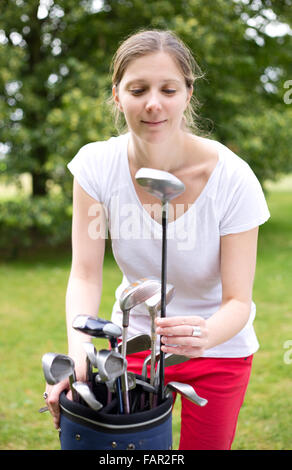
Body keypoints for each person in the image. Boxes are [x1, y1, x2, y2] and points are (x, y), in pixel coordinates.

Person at [44, 29, 270, 450]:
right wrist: (77, 359)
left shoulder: (233, 179)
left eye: (168, 89)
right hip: (133, 344)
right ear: (117, 95)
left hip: (218, 347)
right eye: (137, 89)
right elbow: (86, 274)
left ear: (187, 94)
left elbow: (239, 302)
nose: (153, 103)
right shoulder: (96, 167)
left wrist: (204, 335)